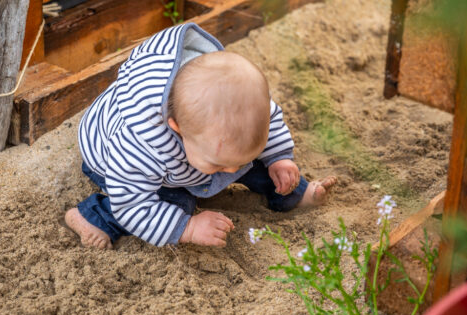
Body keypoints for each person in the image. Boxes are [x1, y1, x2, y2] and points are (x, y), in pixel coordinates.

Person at [65, 23, 336, 249]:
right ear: (177, 128)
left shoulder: (240, 103)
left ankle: (294, 193)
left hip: (194, 150)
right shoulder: (142, 146)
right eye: (218, 165)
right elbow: (133, 203)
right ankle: (93, 215)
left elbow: (270, 121)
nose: (231, 171)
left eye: (232, 165)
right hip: (109, 161)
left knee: (256, 162)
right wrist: (189, 228)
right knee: (178, 202)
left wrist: (279, 158)